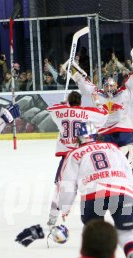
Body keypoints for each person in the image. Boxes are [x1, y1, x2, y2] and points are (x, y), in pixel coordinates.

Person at [47, 122, 133, 258]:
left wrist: (65, 208)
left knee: (94, 236)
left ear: (78, 138)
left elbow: (67, 184)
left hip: (93, 194)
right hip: (122, 190)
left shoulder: (74, 154)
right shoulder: (112, 147)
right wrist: (129, 192)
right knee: (125, 233)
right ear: (96, 135)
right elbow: (128, 170)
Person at [71, 47, 133, 199]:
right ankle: (110, 188)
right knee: (107, 163)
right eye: (107, 85)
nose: (110, 88)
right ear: (103, 86)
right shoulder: (98, 93)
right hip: (105, 133)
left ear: (116, 85)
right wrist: (74, 70)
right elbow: (84, 84)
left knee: (131, 160)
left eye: (112, 85)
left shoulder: (124, 92)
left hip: (123, 130)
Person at [46, 90, 108, 226]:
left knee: (60, 187)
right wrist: (97, 100)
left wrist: (63, 105)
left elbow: (50, 109)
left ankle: (53, 216)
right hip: (85, 155)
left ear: (69, 101)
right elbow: (104, 113)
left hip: (68, 157)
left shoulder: (59, 112)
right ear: (80, 102)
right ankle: (97, 212)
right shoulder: (87, 113)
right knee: (91, 184)